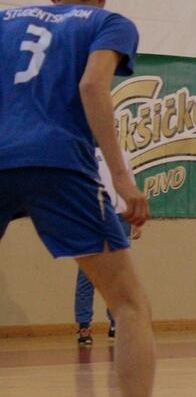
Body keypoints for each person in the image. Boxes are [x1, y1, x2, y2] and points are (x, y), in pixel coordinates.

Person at [0, 0, 191, 397]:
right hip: (58, 163)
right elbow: (91, 86)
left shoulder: (6, 20)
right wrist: (123, 180)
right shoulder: (109, 22)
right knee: (129, 304)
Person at [75, 147, 142, 346]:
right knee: (87, 274)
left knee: (119, 274)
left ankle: (116, 322)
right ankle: (84, 325)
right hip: (92, 216)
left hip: (119, 218)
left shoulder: (121, 153)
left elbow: (129, 185)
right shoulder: (82, 149)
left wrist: (135, 219)